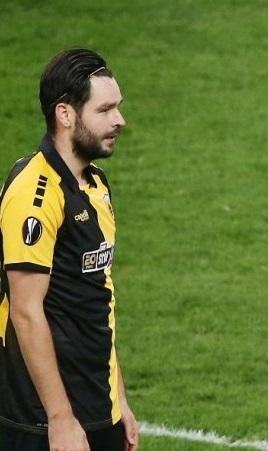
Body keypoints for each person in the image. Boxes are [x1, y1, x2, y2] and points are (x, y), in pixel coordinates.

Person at [0, 49, 138, 451]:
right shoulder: (35, 194)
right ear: (65, 114)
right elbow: (26, 312)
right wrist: (60, 419)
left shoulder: (96, 184)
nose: (119, 120)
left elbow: (99, 296)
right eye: (105, 110)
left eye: (118, 107)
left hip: (97, 406)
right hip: (42, 420)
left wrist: (119, 400)